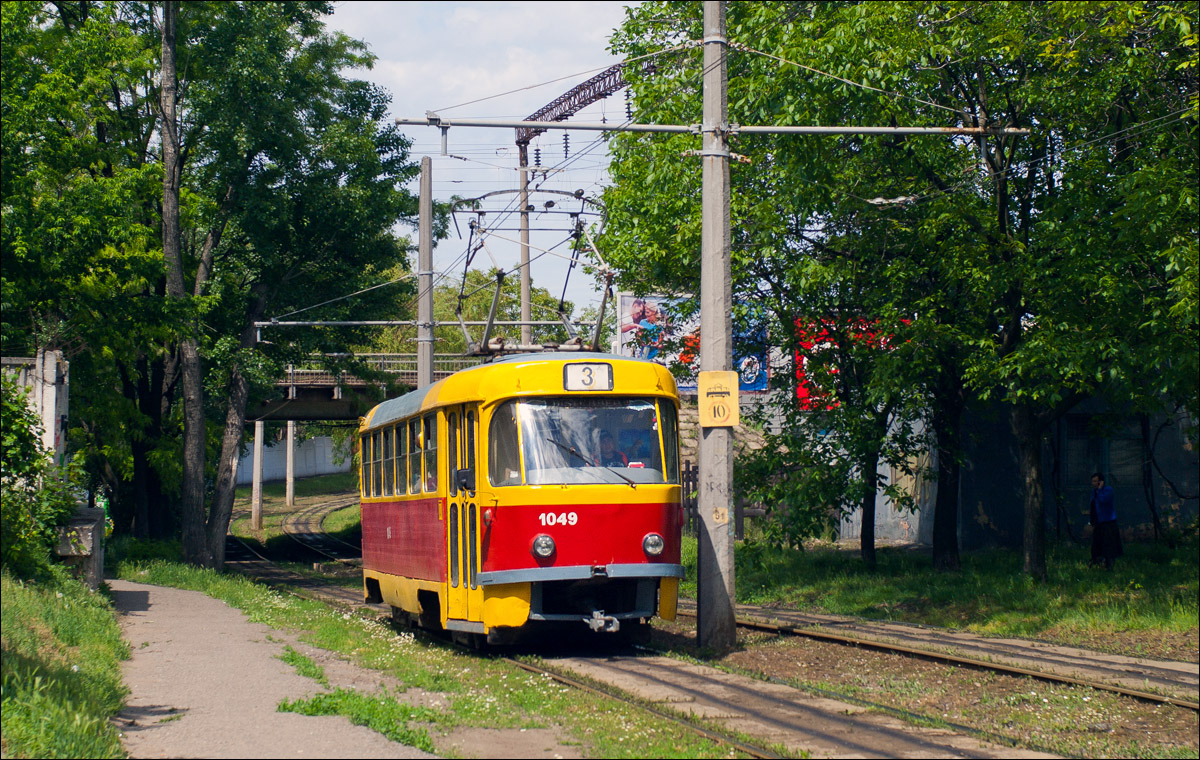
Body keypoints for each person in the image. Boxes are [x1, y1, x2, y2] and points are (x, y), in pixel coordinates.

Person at [1089, 472, 1122, 570]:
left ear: (1100, 482)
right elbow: (1093, 505)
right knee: (1097, 543)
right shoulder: (1093, 492)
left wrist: (1099, 490)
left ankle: (1109, 563)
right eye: (1092, 481)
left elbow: (1103, 500)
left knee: (1109, 543)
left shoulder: (1108, 490)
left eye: (1095, 481)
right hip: (1098, 522)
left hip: (1108, 522)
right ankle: (1097, 560)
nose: (1093, 483)